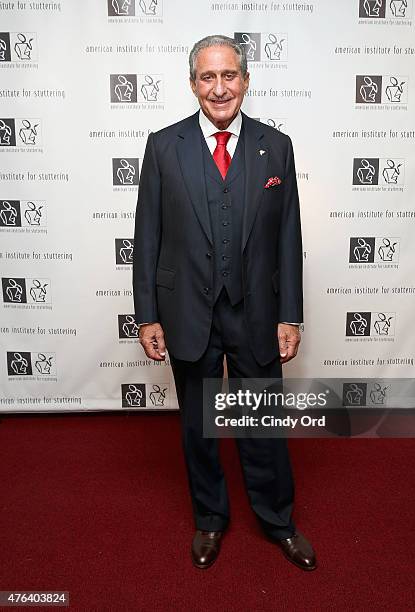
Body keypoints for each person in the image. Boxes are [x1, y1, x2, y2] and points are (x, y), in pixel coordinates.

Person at [133, 34, 316, 571]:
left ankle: (277, 520)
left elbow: (288, 235)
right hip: (188, 310)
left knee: (262, 421)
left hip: (256, 309)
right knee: (198, 425)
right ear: (193, 84)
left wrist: (291, 313)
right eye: (208, 77)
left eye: (229, 75)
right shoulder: (164, 146)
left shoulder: (274, 145)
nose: (220, 88)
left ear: (246, 80)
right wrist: (147, 314)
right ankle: (210, 520)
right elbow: (147, 236)